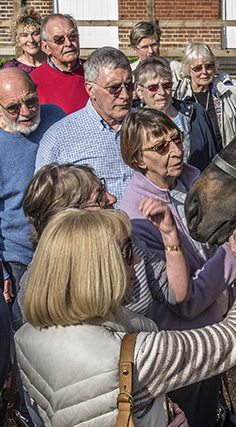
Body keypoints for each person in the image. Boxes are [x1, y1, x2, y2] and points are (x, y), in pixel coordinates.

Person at [14, 209, 236, 427]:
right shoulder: (132, 356)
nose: (137, 258)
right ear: (98, 271)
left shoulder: (26, 337)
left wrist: (156, 413)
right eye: (126, 251)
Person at [119, 108, 236, 427]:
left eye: (177, 139)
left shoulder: (191, 176)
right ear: (138, 159)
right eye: (161, 147)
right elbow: (185, 301)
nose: (176, 150)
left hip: (213, 329)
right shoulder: (137, 216)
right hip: (182, 351)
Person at [19, 163, 191, 322]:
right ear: (71, 217)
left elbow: (176, 293)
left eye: (104, 188)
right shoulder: (41, 284)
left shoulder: (128, 243)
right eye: (100, 196)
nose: (112, 198)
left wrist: (169, 234)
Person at [0, 68, 66, 330]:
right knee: (27, 337)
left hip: (62, 247)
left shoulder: (55, 117)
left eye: (31, 100)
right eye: (13, 107)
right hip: (18, 257)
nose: (26, 112)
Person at [36, 46, 135, 206]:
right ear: (90, 89)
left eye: (129, 85)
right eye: (114, 88)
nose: (125, 95)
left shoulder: (146, 124)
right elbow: (44, 201)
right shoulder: (59, 137)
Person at [175, 42, 236, 149]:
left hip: (225, 159)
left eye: (209, 66)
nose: (204, 72)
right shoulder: (179, 94)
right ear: (188, 70)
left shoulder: (228, 89)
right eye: (197, 68)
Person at [134, 56, 220, 171]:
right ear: (139, 92)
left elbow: (213, 156)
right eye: (153, 87)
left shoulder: (196, 113)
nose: (161, 92)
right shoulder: (134, 125)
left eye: (166, 85)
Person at [30, 13, 88, 114]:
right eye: (59, 40)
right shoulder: (33, 81)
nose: (68, 43)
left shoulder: (95, 70)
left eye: (72, 36)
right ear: (45, 47)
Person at [129, 21, 182, 90]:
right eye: (145, 47)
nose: (150, 51)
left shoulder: (175, 68)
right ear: (134, 49)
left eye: (154, 45)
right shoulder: (130, 72)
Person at [3, 7, 47, 73]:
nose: (31, 40)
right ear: (18, 40)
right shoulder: (11, 68)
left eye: (35, 34)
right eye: (24, 35)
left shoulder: (54, 63)